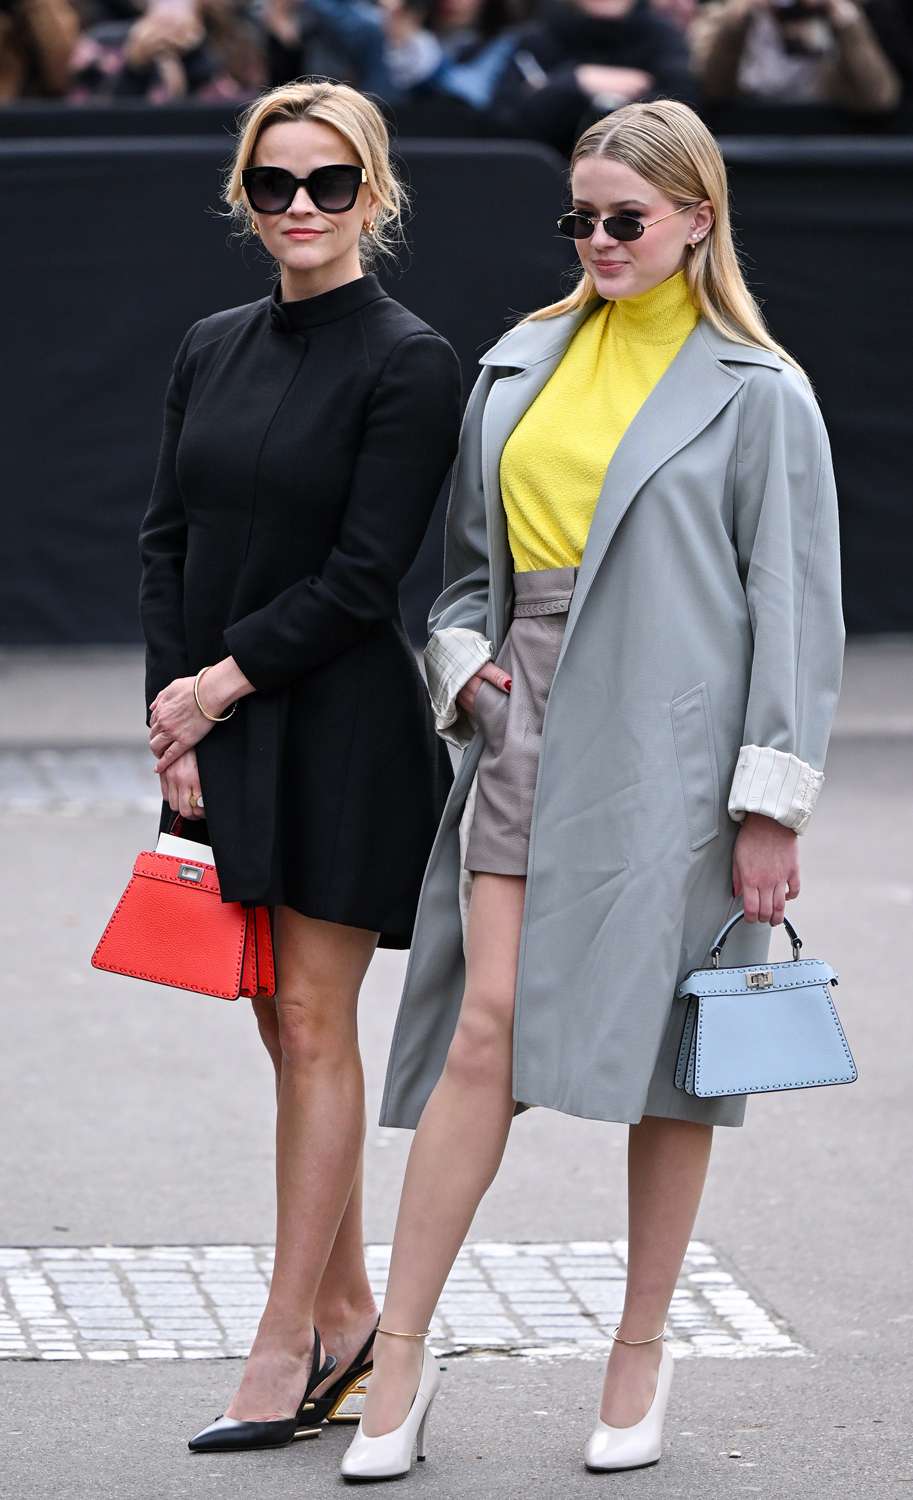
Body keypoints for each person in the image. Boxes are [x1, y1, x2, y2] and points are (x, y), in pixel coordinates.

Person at [340, 97, 845, 1481]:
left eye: (629, 217)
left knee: (667, 1069)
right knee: (484, 1034)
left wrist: (768, 806)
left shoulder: (759, 390)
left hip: (678, 752)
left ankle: (638, 1353)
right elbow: (454, 577)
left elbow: (794, 612)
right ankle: (398, 1356)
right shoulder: (522, 362)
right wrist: (467, 676)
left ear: (697, 216)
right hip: (524, 720)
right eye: (583, 217)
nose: (603, 240)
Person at [137, 77, 461, 1453]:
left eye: (330, 184)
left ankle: (286, 1346)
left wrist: (217, 686)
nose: (301, 209)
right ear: (243, 194)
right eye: (275, 184)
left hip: (338, 733)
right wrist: (178, 713)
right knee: (274, 1020)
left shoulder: (408, 358)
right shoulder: (212, 344)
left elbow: (365, 575)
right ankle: (350, 1319)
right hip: (224, 725)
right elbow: (166, 541)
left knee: (315, 1022)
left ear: (373, 196)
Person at [492, 0, 696, 155]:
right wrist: (576, 81)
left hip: (644, 176)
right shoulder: (537, 39)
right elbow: (507, 125)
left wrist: (548, 89)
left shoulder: (663, 38)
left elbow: (684, 113)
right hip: (546, 181)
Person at [691, 0, 904, 114]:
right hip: (751, 140)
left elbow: (879, 99)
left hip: (822, 147)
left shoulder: (844, 18)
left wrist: (846, 23)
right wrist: (736, 22)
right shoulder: (728, 19)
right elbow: (711, 92)